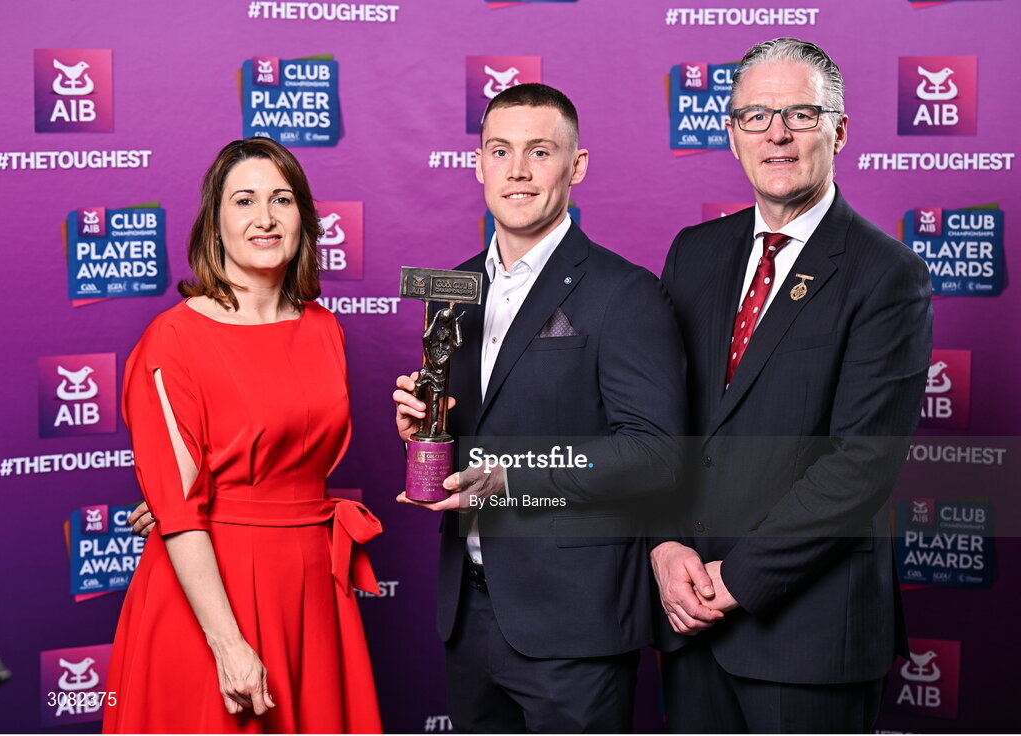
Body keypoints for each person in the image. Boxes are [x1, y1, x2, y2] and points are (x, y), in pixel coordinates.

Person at [651, 38, 933, 733]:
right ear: (733, 135)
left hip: (811, 637)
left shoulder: (886, 274)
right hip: (690, 623)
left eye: (800, 114)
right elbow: (658, 423)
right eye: (755, 116)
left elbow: (861, 465)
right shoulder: (693, 254)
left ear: (839, 131)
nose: (776, 134)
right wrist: (663, 545)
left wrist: (737, 580)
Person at [393, 83, 688, 733]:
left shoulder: (624, 293)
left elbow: (655, 455)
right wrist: (423, 429)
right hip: (469, 613)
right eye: (500, 151)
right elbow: (478, 427)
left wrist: (511, 479)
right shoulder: (453, 290)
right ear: (478, 164)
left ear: (575, 167)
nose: (518, 171)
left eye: (540, 151)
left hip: (574, 623)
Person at [104, 138, 382, 733]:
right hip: (213, 593)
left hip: (312, 584)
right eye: (245, 200)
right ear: (215, 222)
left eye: (281, 199)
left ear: (303, 218)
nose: (265, 218)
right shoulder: (173, 338)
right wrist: (228, 644)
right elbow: (179, 508)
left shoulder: (324, 328)